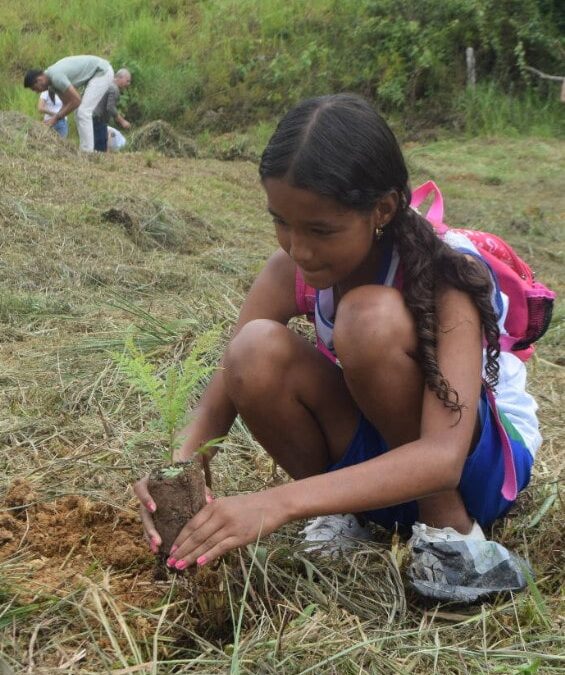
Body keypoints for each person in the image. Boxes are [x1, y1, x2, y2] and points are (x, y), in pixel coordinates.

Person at [134, 94, 540, 598]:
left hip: (474, 471)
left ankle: (453, 542)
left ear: (383, 209)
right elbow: (224, 386)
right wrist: (176, 475)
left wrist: (278, 503)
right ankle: (349, 514)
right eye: (281, 222)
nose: (298, 248)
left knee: (368, 319)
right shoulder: (291, 271)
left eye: (321, 230)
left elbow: (442, 458)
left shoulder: (447, 275)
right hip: (384, 461)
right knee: (252, 350)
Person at [23, 55, 114, 152]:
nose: (37, 92)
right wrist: (52, 120)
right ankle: (85, 149)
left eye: (35, 88)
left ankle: (87, 152)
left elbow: (76, 100)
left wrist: (56, 118)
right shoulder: (52, 84)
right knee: (78, 112)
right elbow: (67, 104)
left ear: (40, 80)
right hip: (94, 74)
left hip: (102, 71)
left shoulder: (56, 77)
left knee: (83, 112)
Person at [92, 69, 132, 152]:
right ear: (120, 78)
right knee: (100, 148)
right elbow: (110, 107)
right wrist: (122, 121)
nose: (128, 84)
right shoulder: (114, 89)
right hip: (98, 119)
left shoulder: (108, 84)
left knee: (95, 144)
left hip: (94, 117)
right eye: (127, 81)